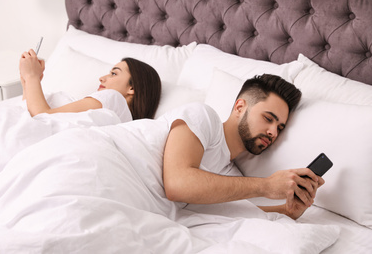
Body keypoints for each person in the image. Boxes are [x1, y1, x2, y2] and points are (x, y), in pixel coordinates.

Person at [162, 74, 325, 220]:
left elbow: (232, 215)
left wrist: (289, 211)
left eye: (280, 128)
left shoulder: (231, 177)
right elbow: (177, 184)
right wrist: (267, 186)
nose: (273, 132)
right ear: (240, 107)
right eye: (268, 118)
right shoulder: (203, 116)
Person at [19, 49, 162, 121]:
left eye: (114, 74)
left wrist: (32, 77)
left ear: (132, 87)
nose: (102, 78)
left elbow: (43, 117)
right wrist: (27, 79)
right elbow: (32, 111)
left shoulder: (113, 98)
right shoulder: (115, 115)